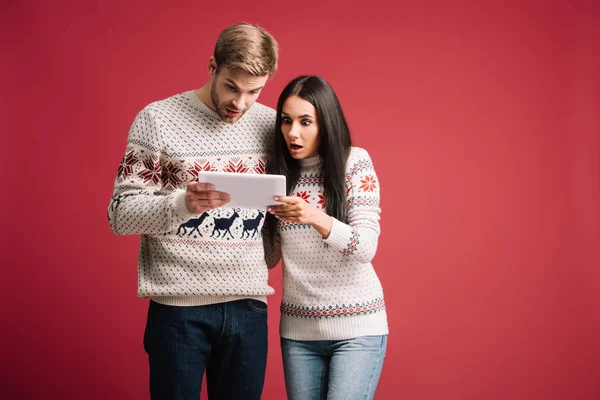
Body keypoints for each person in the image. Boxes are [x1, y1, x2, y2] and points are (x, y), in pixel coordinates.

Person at [107, 23, 279, 400]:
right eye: (232, 86)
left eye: (254, 91)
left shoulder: (270, 125)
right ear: (212, 66)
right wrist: (183, 203)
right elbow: (120, 213)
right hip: (178, 310)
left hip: (249, 306)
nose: (241, 103)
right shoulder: (157, 119)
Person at [264, 75, 388, 400]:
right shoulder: (278, 175)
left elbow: (366, 246)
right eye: (286, 121)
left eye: (306, 122)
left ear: (326, 122)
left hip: (357, 329)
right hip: (298, 333)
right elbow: (270, 258)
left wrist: (314, 216)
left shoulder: (354, 163)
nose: (293, 132)